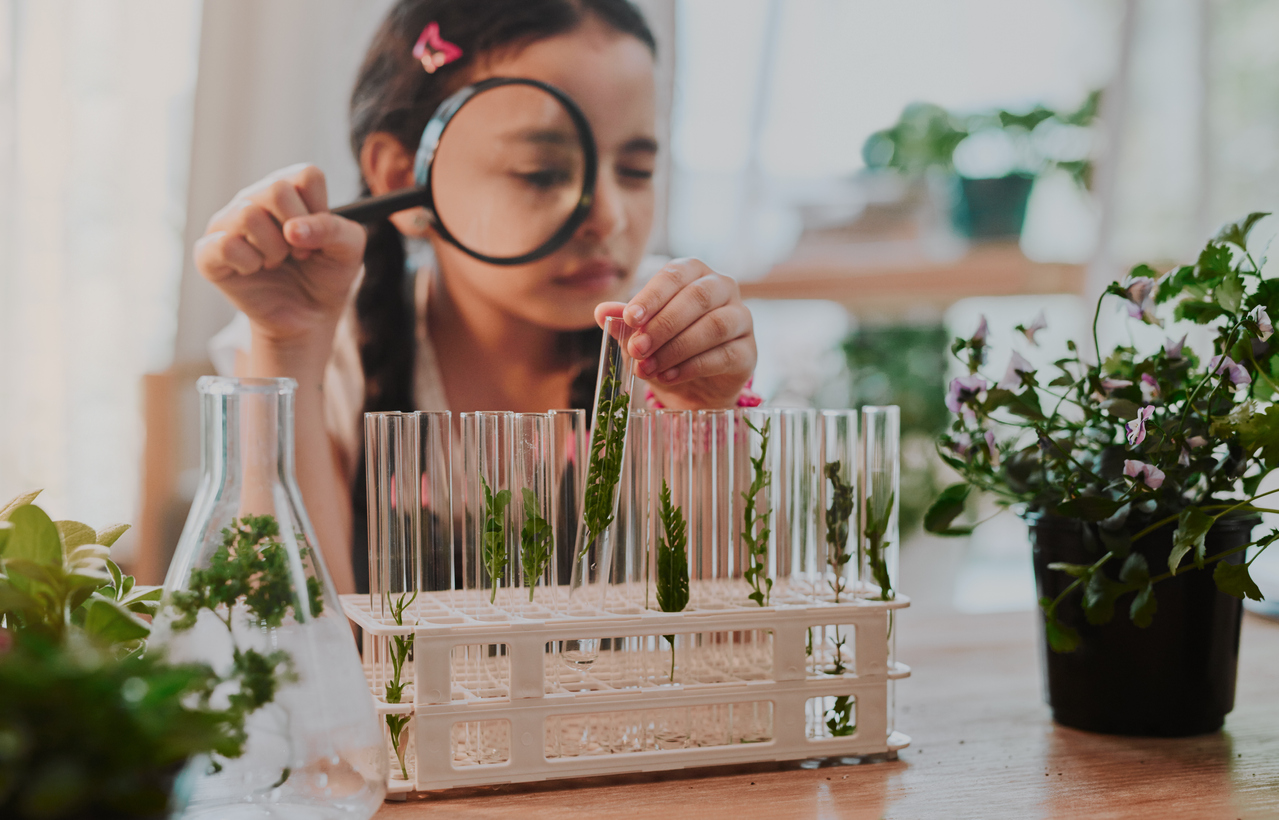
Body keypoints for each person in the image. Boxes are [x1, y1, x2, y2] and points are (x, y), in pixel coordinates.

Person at [194, 0, 758, 594]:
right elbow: (291, 650)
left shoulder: (671, 343)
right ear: (402, 182)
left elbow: (729, 653)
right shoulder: (322, 354)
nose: (610, 218)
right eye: (540, 172)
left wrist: (705, 416)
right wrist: (288, 344)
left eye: (637, 171)